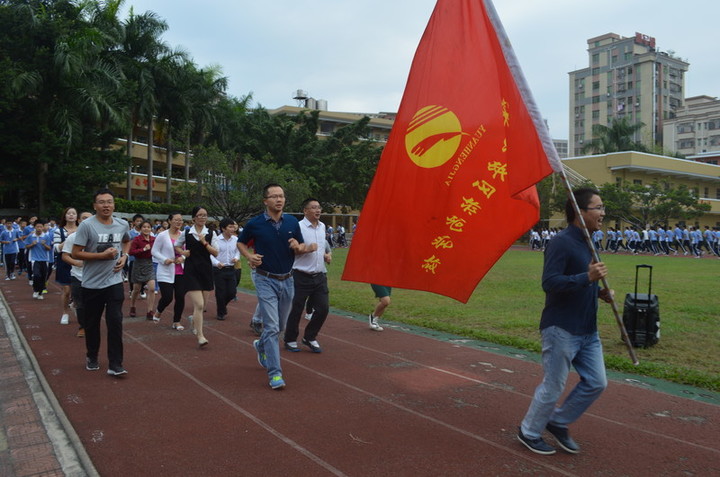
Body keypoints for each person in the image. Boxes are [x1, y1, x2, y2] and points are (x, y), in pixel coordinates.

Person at [518, 187, 611, 455]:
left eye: (603, 208)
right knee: (554, 383)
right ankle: (529, 431)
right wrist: (587, 278)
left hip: (587, 330)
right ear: (580, 212)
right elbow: (550, 283)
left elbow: (584, 281)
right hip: (561, 328)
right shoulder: (561, 242)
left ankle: (558, 422)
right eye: (598, 208)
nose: (603, 213)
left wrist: (600, 292)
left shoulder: (590, 242)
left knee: (597, 382)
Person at [238, 184, 314, 390]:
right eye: (274, 196)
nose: (279, 200)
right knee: (271, 327)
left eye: (281, 196)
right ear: (265, 201)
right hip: (265, 279)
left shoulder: (291, 221)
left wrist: (298, 247)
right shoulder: (255, 224)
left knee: (279, 327)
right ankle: (275, 373)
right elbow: (241, 243)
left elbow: (298, 245)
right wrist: (249, 256)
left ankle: (261, 345)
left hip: (288, 280)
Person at [72, 189, 130, 376]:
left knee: (115, 322)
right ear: (94, 205)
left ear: (114, 204)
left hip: (114, 281)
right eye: (102, 202)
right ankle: (92, 355)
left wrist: (124, 256)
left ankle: (115, 364)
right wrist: (101, 255)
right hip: (91, 284)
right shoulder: (87, 226)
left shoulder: (122, 224)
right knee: (92, 324)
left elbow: (126, 241)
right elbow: (76, 253)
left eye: (110, 202)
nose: (106, 205)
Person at [283, 198, 332, 353]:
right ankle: (290, 339)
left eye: (319, 207)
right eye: (313, 207)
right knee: (296, 309)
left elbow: (322, 245)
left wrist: (325, 254)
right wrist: (307, 249)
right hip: (300, 275)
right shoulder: (297, 227)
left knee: (323, 308)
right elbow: (292, 249)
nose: (318, 210)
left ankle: (309, 337)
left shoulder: (322, 226)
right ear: (305, 211)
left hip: (319, 275)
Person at [174, 206, 217, 347]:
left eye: (205, 215)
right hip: (191, 271)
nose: (203, 218)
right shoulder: (187, 232)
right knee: (198, 304)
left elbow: (216, 253)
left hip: (205, 271)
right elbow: (177, 246)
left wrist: (204, 242)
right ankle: (200, 336)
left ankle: (193, 320)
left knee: (203, 305)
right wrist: (182, 252)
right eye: (200, 215)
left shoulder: (211, 233)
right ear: (194, 218)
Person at [151, 213, 186, 329]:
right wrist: (164, 259)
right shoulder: (162, 235)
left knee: (180, 297)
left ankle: (176, 321)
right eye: (176, 220)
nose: (179, 222)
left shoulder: (184, 235)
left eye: (180, 220)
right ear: (170, 221)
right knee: (167, 297)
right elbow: (154, 251)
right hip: (165, 270)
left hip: (180, 271)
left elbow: (189, 251)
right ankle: (159, 311)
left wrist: (183, 258)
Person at [62, 211, 93, 337]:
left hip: (95, 276)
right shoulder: (73, 237)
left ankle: (92, 324)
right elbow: (65, 255)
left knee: (93, 303)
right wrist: (76, 263)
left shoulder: (97, 237)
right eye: (84, 218)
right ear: (79, 221)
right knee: (79, 302)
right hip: (77, 275)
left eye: (90, 219)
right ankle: (83, 327)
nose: (87, 221)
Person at [210, 218, 240, 321]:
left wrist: (236, 258)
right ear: (223, 228)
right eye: (230, 227)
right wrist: (217, 263)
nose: (233, 229)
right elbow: (210, 255)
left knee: (232, 292)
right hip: (219, 270)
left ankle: (222, 306)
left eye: (233, 227)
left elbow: (238, 251)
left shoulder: (235, 240)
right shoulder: (216, 240)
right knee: (220, 292)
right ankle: (220, 312)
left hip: (231, 269)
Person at [54, 207, 79, 324]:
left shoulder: (81, 230)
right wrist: (69, 238)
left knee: (77, 290)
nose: (71, 215)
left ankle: (75, 305)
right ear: (64, 216)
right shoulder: (59, 231)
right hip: (64, 262)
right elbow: (56, 248)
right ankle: (65, 312)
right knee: (66, 289)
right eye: (68, 213)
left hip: (78, 262)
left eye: (73, 213)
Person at [128, 220, 157, 320]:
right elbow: (131, 252)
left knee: (152, 288)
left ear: (151, 229)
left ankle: (150, 311)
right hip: (138, 264)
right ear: (140, 229)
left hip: (149, 264)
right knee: (136, 289)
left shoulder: (154, 239)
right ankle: (132, 306)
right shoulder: (137, 239)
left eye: (148, 227)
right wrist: (143, 249)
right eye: (144, 227)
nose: (146, 229)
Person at [25, 219, 52, 300]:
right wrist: (32, 244)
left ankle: (40, 292)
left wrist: (44, 244)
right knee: (36, 275)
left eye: (41, 226)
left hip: (44, 259)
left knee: (43, 276)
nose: (39, 228)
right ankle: (36, 290)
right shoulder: (31, 236)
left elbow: (49, 248)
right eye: (37, 226)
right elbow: (26, 246)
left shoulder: (46, 236)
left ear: (43, 227)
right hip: (34, 259)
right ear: (35, 227)